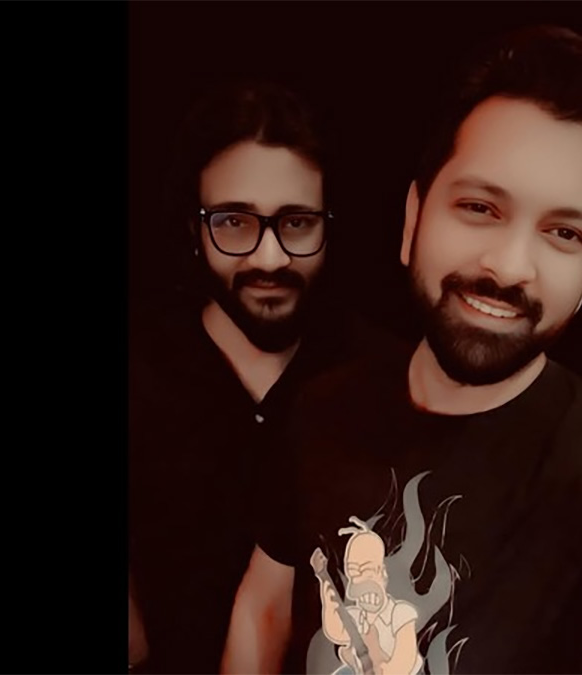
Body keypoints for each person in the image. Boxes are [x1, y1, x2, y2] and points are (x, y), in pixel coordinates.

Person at [223, 25, 582, 674]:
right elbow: (263, 608)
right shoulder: (318, 409)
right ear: (414, 217)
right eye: (479, 207)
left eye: (563, 232)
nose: (510, 266)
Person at [129, 80, 359, 673]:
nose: (269, 258)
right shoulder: (140, 373)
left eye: (297, 222)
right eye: (234, 221)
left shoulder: (379, 378)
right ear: (194, 230)